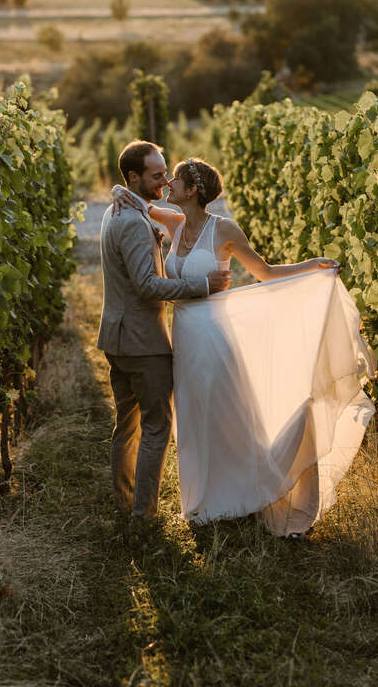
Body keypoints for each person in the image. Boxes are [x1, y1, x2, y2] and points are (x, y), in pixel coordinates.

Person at [112, 156, 375, 536]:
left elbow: (265, 272)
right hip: (184, 338)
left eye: (176, 179)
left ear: (193, 190)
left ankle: (245, 497)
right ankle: (205, 504)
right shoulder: (175, 221)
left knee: (229, 417)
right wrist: (119, 191)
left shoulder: (225, 229)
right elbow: (138, 201)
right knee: (194, 419)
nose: (168, 182)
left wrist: (311, 265)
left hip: (216, 337)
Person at [97, 141, 231, 521]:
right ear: (134, 177)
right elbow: (147, 285)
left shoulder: (117, 208)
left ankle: (126, 506)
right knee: (156, 428)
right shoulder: (132, 220)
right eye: (156, 176)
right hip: (143, 343)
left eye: (165, 174)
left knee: (126, 426)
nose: (163, 181)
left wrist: (118, 189)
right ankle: (143, 518)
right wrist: (202, 286)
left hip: (116, 338)